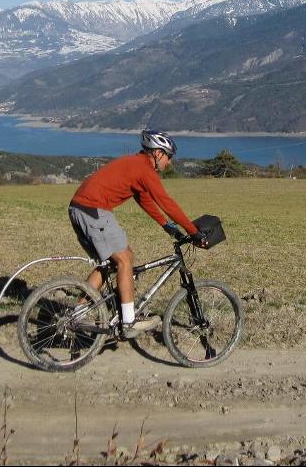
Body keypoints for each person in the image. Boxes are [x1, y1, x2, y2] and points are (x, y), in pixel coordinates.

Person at [68, 129, 204, 338]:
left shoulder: (135, 165)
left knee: (116, 260)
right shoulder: (144, 169)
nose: (169, 162)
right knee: (124, 261)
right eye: (168, 157)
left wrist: (165, 225)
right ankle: (129, 322)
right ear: (157, 153)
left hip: (80, 209)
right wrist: (193, 231)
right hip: (93, 210)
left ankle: (77, 314)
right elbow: (165, 202)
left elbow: (144, 198)